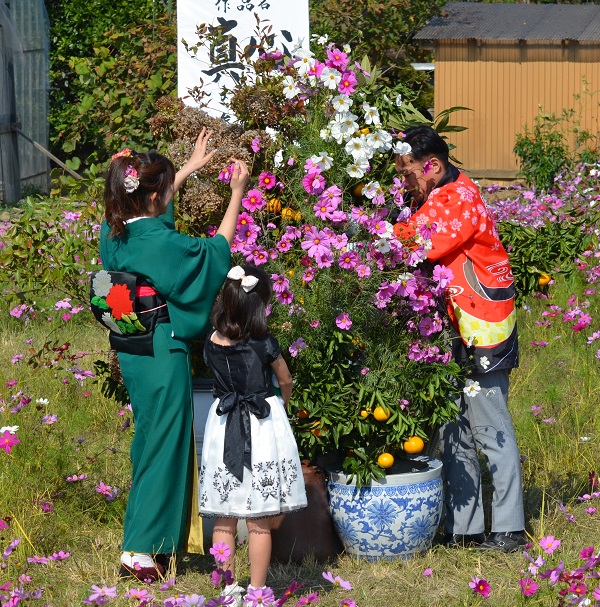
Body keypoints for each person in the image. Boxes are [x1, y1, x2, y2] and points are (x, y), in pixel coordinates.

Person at [98, 128, 249, 581]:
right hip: (162, 347)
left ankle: (146, 545)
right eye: (166, 188)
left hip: (132, 346)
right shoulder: (162, 243)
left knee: (149, 440)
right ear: (153, 196)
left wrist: (183, 171)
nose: (169, 194)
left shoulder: (115, 230)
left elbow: (152, 214)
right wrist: (236, 194)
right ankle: (143, 552)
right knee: (166, 444)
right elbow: (213, 254)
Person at [392, 126, 526, 553]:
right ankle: (464, 529)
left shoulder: (460, 198)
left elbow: (422, 243)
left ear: (432, 165)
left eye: (408, 172)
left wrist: (376, 234)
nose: (403, 181)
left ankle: (510, 528)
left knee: (490, 427)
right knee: (455, 429)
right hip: (455, 326)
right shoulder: (432, 196)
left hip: (483, 323)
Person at [198, 265, 307, 607]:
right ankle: (257, 594)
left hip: (223, 422)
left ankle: (229, 591)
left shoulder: (211, 341)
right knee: (259, 522)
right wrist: (283, 404)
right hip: (260, 425)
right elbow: (285, 379)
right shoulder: (265, 343)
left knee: (224, 517)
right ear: (259, 306)